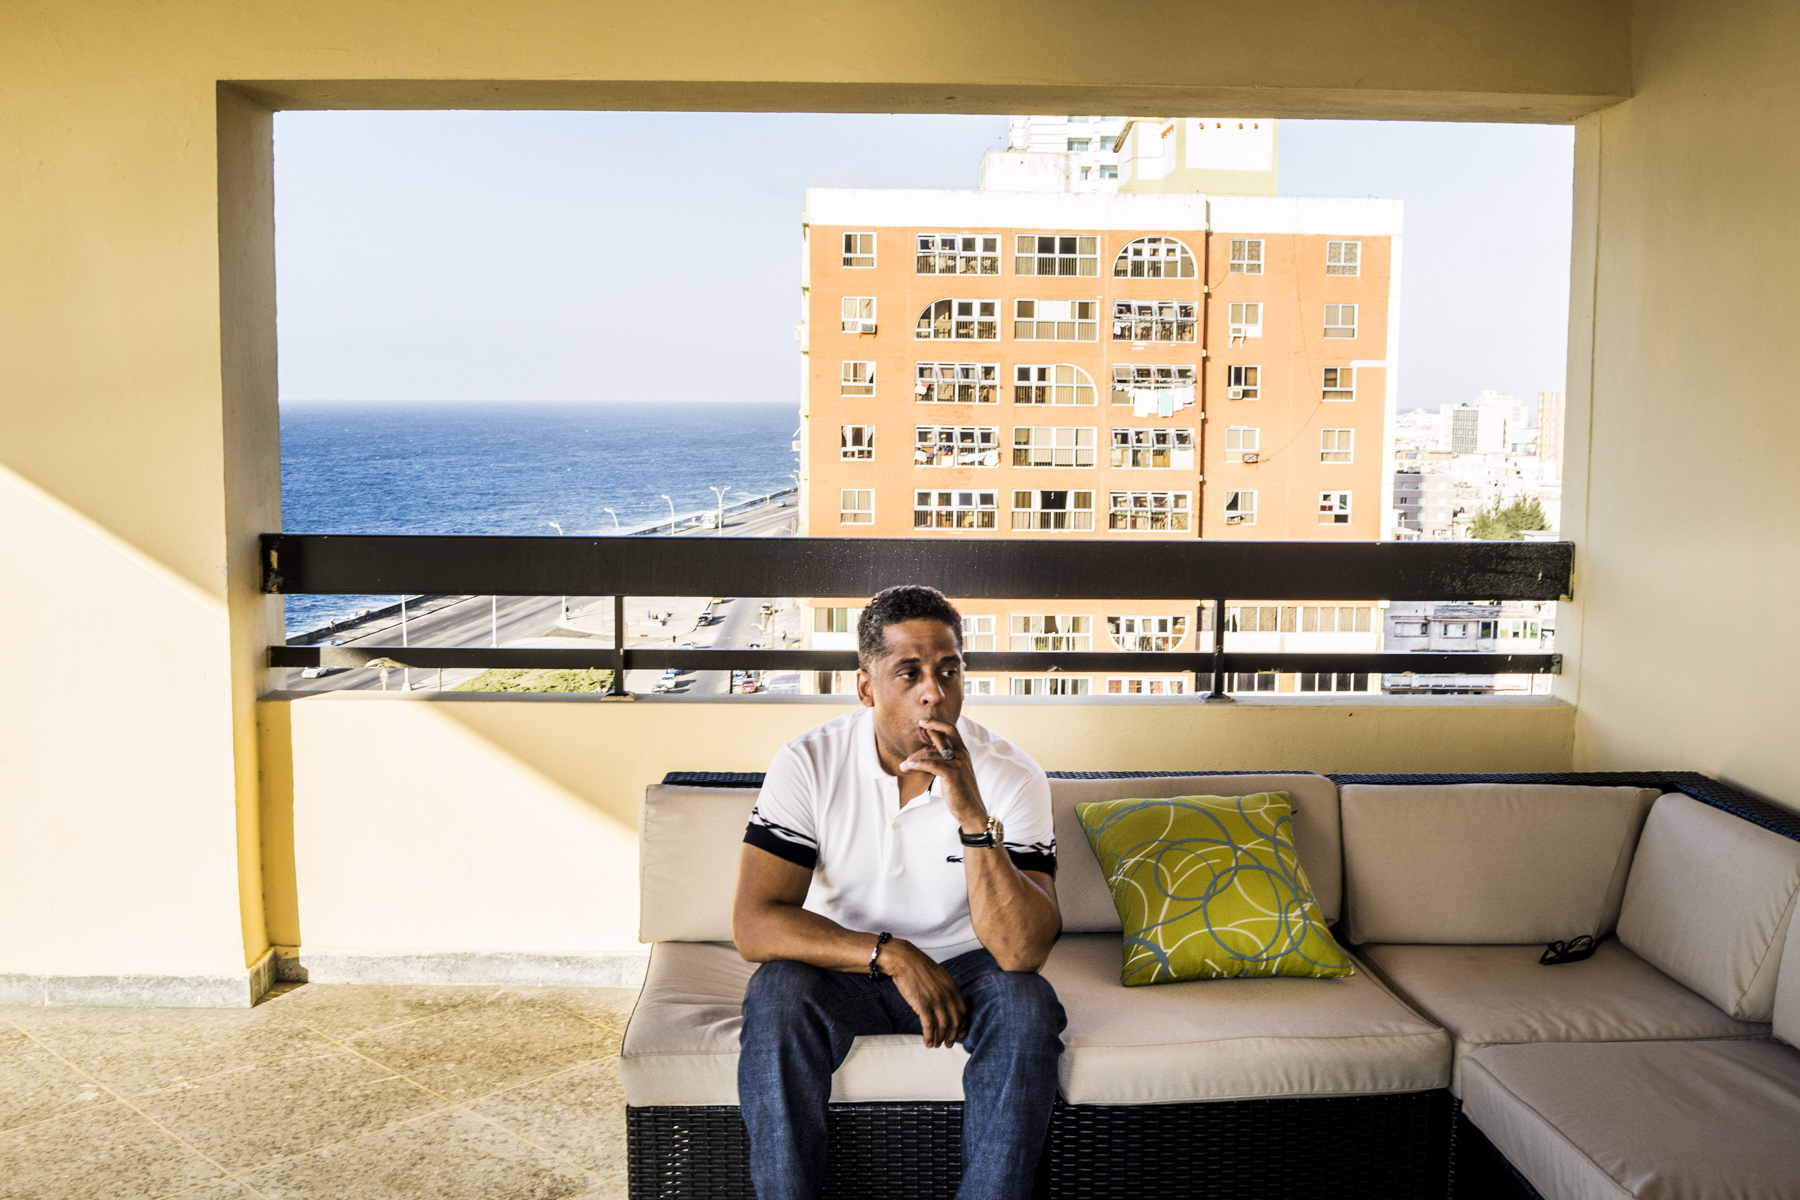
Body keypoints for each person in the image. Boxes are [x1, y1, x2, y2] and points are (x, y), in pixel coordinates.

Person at [732, 584, 1066, 1200]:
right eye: (908, 672)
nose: (933, 691)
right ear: (866, 686)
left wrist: (972, 818)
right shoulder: (809, 762)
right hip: (847, 965)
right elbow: (755, 924)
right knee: (776, 994)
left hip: (969, 968)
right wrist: (890, 953)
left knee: (1027, 1004)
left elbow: (1020, 952)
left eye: (948, 670)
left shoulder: (1011, 776)